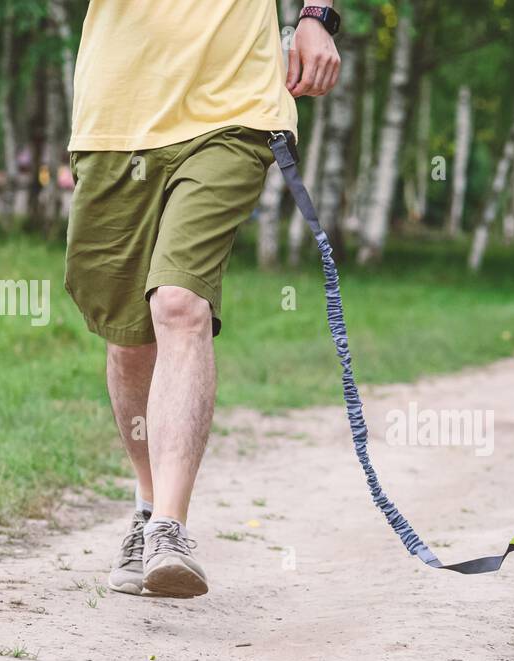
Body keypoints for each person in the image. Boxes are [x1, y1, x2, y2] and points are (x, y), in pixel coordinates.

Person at [64, 2, 341, 597]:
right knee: (130, 338)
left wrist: (316, 15)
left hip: (233, 111)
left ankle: (170, 527)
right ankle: (146, 507)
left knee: (179, 304)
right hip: (117, 116)